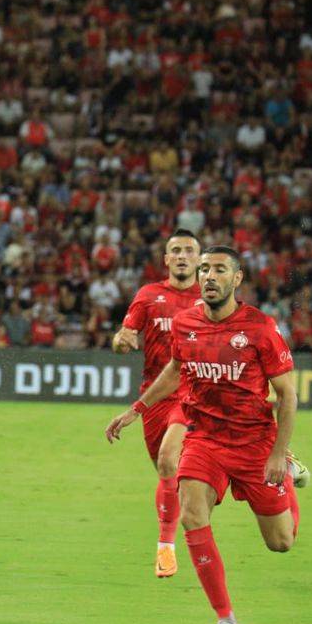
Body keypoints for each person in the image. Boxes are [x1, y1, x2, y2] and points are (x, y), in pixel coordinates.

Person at [106, 246, 310, 624]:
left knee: (281, 542)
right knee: (192, 515)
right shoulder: (186, 324)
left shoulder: (260, 327)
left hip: (254, 443)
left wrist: (273, 453)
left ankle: (286, 469)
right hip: (204, 437)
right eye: (204, 270)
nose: (209, 277)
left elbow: (287, 395)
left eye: (219, 270)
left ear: (237, 278)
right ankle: (227, 622)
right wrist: (136, 409)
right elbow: (176, 371)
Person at [110, 229, 203, 578]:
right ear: (166, 259)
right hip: (154, 395)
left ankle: (166, 547)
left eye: (189, 251)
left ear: (199, 259)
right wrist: (121, 342)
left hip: (194, 395)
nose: (181, 256)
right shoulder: (149, 296)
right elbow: (124, 339)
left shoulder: (209, 298)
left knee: (169, 458)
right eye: (175, 251)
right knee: (169, 474)